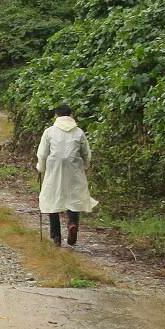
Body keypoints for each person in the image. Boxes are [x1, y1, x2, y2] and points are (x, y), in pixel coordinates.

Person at [36, 104, 96, 245]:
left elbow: (42, 154)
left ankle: (56, 236)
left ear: (56, 115)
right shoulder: (79, 132)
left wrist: (40, 168)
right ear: (71, 115)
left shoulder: (49, 132)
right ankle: (72, 224)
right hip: (74, 169)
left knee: (52, 198)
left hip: (54, 169)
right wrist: (84, 166)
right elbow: (86, 154)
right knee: (73, 197)